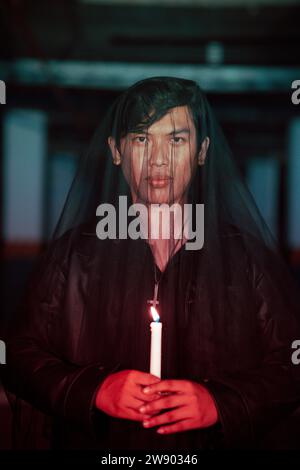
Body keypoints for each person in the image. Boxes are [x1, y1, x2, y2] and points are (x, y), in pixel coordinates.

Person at [3, 77, 300, 450]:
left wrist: (219, 403)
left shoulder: (247, 257)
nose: (158, 158)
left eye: (176, 139)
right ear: (116, 150)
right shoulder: (73, 254)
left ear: (202, 150)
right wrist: (95, 390)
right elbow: (15, 355)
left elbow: (293, 361)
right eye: (142, 139)